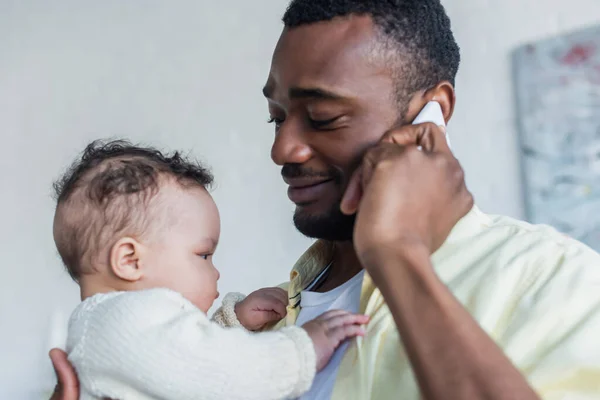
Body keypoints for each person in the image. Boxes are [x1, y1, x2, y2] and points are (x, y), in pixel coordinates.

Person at [51, 0, 600, 399]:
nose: (282, 148)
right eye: (276, 117)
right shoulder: (263, 321)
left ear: (431, 115)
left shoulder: (556, 281)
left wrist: (397, 252)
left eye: (322, 117)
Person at [51, 140, 368, 400]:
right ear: (130, 261)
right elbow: (220, 374)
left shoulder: (117, 326)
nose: (215, 273)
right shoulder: (124, 320)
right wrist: (302, 350)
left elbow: (189, 360)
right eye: (203, 255)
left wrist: (235, 322)